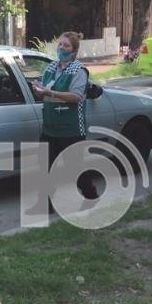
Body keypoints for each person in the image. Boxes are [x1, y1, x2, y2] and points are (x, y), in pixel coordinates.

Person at [31, 31, 98, 206]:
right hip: (50, 128)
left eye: (66, 46)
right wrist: (38, 90)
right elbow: (44, 95)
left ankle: (91, 197)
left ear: (74, 51)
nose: (61, 48)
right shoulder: (51, 67)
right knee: (45, 167)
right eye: (60, 44)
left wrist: (49, 92)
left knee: (75, 169)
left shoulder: (79, 70)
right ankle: (45, 204)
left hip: (71, 129)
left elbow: (76, 97)